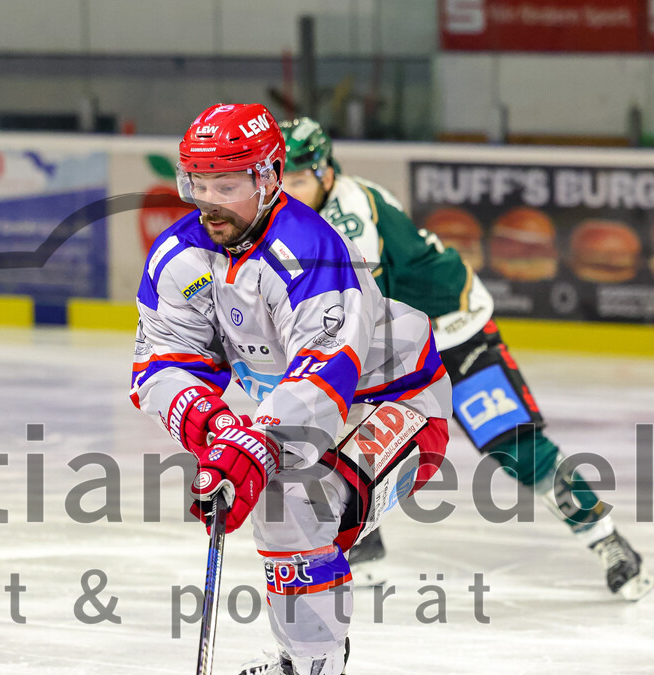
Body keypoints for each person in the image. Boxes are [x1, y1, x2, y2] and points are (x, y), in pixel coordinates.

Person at [132, 103, 451, 675]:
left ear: (271, 176)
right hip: (308, 410)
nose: (209, 202)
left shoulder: (310, 248)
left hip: (398, 404)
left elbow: (326, 372)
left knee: (292, 502)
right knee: (281, 502)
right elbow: (159, 362)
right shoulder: (182, 256)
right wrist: (211, 429)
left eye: (228, 184)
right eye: (197, 182)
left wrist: (248, 443)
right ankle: (306, 647)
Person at [277, 117, 651, 603]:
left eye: (299, 179)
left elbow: (353, 312)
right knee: (343, 433)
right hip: (395, 336)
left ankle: (607, 540)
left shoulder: (349, 216)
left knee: (517, 446)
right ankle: (364, 544)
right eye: (281, 178)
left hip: (453, 330)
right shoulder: (305, 214)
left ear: (326, 172)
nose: (288, 190)